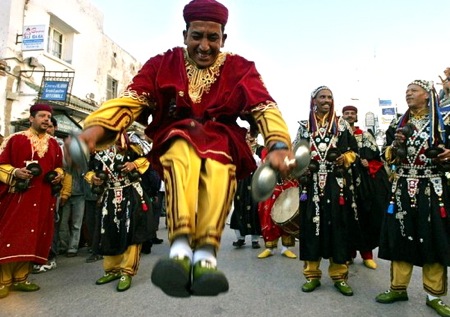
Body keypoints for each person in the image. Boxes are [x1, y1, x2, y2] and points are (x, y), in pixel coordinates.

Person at [73, 0, 295, 298]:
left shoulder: (241, 68)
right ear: (185, 34)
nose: (204, 46)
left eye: (212, 38)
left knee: (218, 172)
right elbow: (133, 99)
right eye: (197, 36)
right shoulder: (161, 64)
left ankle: (205, 257)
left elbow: (264, 107)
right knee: (182, 153)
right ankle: (179, 249)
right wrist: (96, 128)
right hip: (176, 136)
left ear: (223, 39)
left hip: (222, 142)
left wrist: (278, 143)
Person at [375, 80, 450, 317]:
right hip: (402, 187)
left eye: (413, 91)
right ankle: (398, 288)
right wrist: (392, 149)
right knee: (400, 237)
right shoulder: (400, 122)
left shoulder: (444, 122)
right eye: (406, 92)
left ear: (427, 95)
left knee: (434, 239)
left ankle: (434, 296)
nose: (408, 95)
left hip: (433, 187)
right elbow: (386, 156)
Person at [293, 86, 358, 296]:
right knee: (312, 226)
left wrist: (345, 158)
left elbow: (354, 151)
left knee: (338, 225)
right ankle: (312, 275)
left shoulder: (342, 125)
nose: (327, 100)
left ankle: (339, 275)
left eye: (330, 97)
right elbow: (297, 152)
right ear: (314, 100)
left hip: (336, 182)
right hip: (310, 184)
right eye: (322, 97)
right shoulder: (304, 127)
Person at [0, 103, 64, 299]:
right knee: (11, 235)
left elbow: (60, 167)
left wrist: (58, 175)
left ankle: (21, 278)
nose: (46, 119)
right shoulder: (15, 140)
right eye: (42, 116)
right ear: (31, 119)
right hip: (19, 197)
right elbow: (1, 165)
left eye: (48, 117)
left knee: (34, 236)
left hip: (43, 198)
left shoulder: (54, 144)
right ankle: (3, 281)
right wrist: (15, 172)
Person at [84, 133, 156, 292]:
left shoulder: (131, 145)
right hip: (109, 194)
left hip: (130, 192)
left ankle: (127, 272)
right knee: (109, 232)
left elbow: (147, 159)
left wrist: (133, 165)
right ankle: (112, 270)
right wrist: (93, 178)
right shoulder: (97, 150)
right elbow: (88, 171)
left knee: (131, 232)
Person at [341, 105, 390, 270]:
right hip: (344, 182)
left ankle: (367, 254)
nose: (349, 115)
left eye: (352, 113)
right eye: (346, 113)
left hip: (364, 184)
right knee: (346, 217)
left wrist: (368, 162)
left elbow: (376, 156)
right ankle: (347, 254)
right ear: (342, 116)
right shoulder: (338, 134)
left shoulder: (366, 135)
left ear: (356, 116)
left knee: (366, 215)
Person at [32, 117, 72, 273]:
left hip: (52, 192)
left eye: (50, 126)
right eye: (45, 125)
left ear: (55, 128)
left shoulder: (58, 146)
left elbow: (65, 170)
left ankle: (49, 257)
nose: (47, 129)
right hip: (33, 191)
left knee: (51, 223)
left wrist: (64, 191)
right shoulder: (29, 141)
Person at [230, 128, 263, 249]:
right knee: (239, 207)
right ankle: (240, 238)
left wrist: (252, 153)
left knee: (255, 208)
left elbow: (262, 164)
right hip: (242, 181)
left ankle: (255, 239)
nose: (250, 135)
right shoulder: (239, 148)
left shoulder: (261, 149)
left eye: (252, 133)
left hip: (255, 181)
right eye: (248, 133)